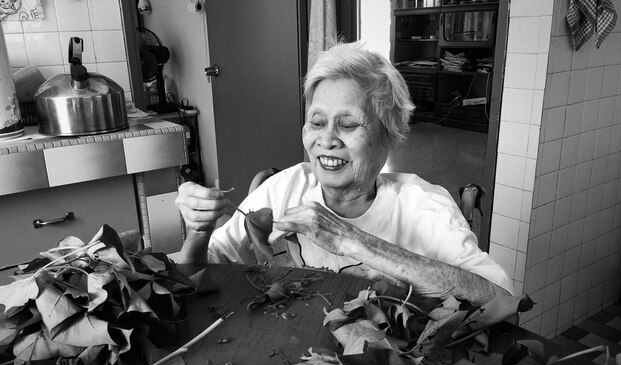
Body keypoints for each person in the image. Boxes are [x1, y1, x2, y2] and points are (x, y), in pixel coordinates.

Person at [175, 42, 513, 305]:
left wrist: (352, 240)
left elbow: (500, 299)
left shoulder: (423, 207)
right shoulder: (284, 189)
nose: (325, 140)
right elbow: (198, 275)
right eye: (317, 122)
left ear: (389, 136)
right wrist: (197, 233)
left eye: (348, 124)